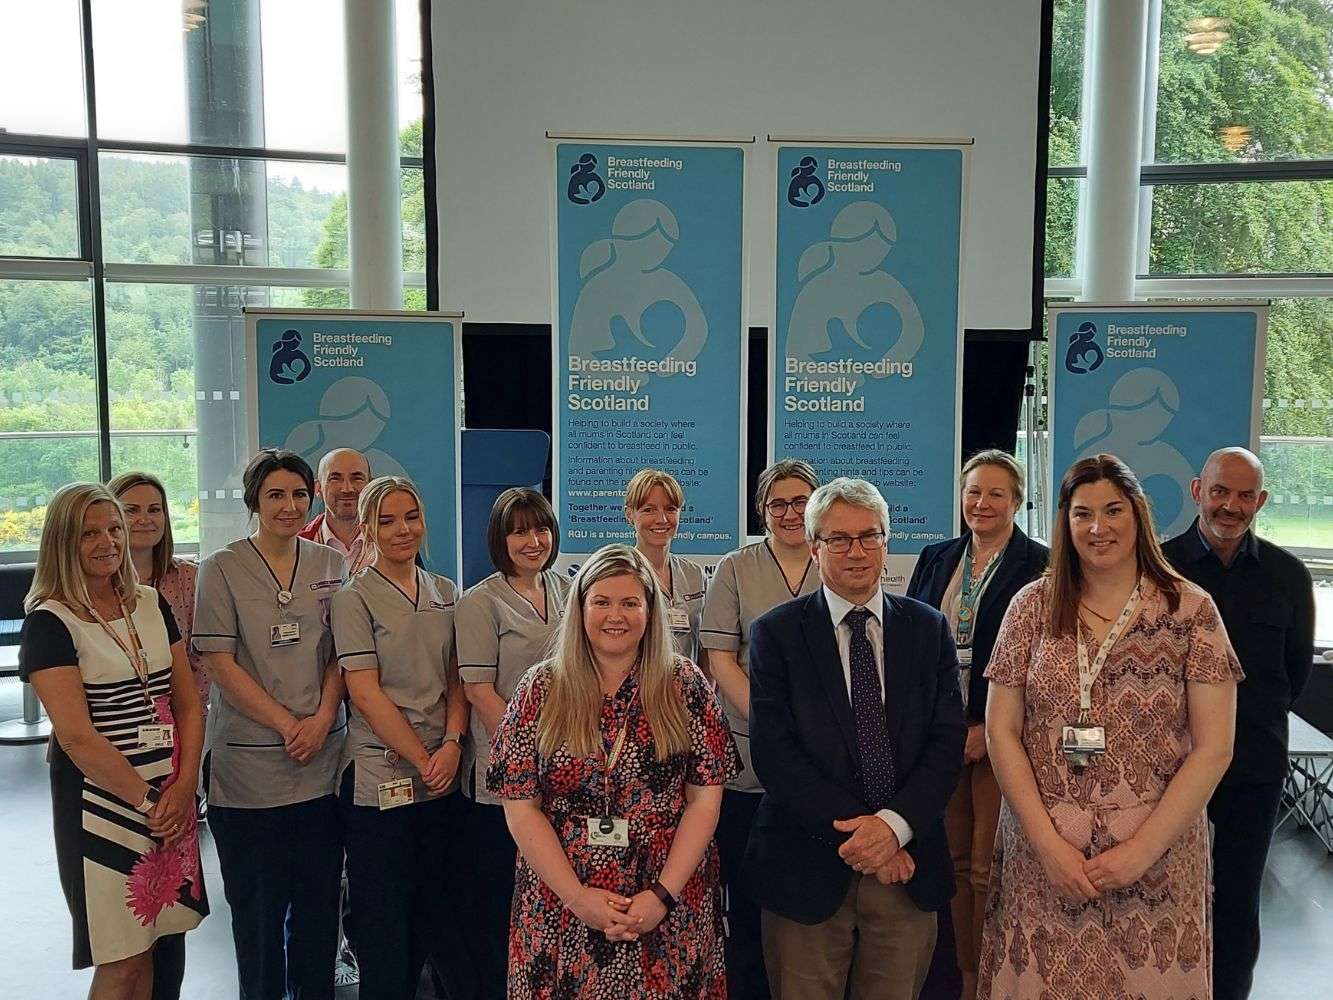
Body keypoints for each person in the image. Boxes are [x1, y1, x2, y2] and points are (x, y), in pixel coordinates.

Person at [979, 454, 1242, 998]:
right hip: (1045, 857)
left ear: (1138, 513)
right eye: (1083, 514)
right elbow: (1000, 731)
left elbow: (1214, 748)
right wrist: (1047, 845)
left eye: (1113, 510)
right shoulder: (1030, 607)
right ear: (1065, 521)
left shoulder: (1190, 611)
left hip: (1157, 860)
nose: (1098, 528)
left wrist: (1142, 851)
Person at [745, 477, 965, 1000]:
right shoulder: (776, 633)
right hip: (807, 869)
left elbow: (946, 742)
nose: (857, 551)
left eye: (870, 536)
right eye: (839, 539)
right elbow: (776, 755)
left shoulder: (928, 628)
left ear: (887, 542)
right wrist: (870, 839)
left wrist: (893, 828)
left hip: (906, 870)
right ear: (814, 546)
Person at [487, 544, 741, 998]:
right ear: (580, 607)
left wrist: (661, 896)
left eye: (630, 603)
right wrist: (577, 897)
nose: (615, 616)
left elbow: (705, 801)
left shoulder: (685, 685)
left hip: (667, 902)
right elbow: (521, 807)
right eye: (601, 602)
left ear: (650, 610)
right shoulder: (540, 689)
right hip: (562, 901)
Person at [19, 483, 208, 1000]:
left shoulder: (149, 602)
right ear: (63, 542)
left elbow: (188, 703)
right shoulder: (49, 621)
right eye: (89, 534)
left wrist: (184, 786)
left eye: (113, 529)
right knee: (121, 960)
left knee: (152, 944)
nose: (108, 542)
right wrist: (148, 802)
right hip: (102, 804)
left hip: (169, 793)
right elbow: (77, 737)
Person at [193, 448, 348, 1000]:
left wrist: (322, 717)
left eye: (299, 494)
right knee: (257, 914)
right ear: (254, 501)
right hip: (250, 768)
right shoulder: (221, 568)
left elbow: (343, 653)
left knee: (318, 908)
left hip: (321, 762)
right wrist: (287, 723)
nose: (289, 505)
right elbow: (218, 661)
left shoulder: (331, 565)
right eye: (275, 494)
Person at [1162, 446, 1315, 1000]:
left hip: (1252, 765)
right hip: (1166, 767)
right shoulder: (1157, 569)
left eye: (1245, 495)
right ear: (1197, 491)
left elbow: (1293, 674)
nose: (1231, 505)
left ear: (1261, 501)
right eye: (1220, 491)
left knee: (1237, 900)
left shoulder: (1288, 575)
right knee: (1160, 896)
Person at [906, 450, 1048, 1000]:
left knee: (990, 866)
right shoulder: (936, 557)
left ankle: (995, 977)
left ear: (1017, 501)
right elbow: (914, 639)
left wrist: (988, 728)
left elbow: (1043, 658)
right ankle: (961, 978)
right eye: (973, 492)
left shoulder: (1041, 564)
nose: (981, 503)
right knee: (951, 861)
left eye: (995, 493)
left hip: (1003, 738)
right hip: (941, 735)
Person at [331, 476, 477, 1000]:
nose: (402, 530)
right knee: (383, 918)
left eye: (411, 517)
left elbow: (459, 677)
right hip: (382, 776)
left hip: (442, 773)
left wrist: (453, 742)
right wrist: (421, 757)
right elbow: (365, 692)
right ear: (367, 528)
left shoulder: (446, 593)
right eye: (387, 520)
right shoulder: (353, 599)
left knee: (432, 909)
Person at [700, 458, 822, 998]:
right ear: (761, 511)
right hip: (750, 753)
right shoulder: (736, 568)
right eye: (778, 504)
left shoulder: (834, 560)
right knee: (747, 888)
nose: (790, 513)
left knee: (811, 889)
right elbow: (720, 657)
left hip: (824, 757)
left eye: (801, 502)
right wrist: (772, 721)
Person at [456, 487, 572, 998]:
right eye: (520, 531)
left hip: (567, 771)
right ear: (500, 539)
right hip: (506, 772)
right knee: (499, 900)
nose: (533, 541)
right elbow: (478, 690)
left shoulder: (569, 589)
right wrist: (531, 750)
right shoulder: (480, 602)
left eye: (541, 529)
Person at [109, 472, 209, 713]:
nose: (145, 519)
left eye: (154, 510)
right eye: (131, 510)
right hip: (111, 717)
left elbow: (204, 658)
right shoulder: (94, 583)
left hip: (184, 715)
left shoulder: (190, 577)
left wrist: (175, 712)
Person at [625, 468, 708, 663]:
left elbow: (706, 647)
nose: (661, 519)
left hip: (688, 681)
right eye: (649, 510)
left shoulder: (694, 574)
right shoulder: (619, 575)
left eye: (670, 509)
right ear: (629, 514)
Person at [300, 447, 372, 575]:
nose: (347, 489)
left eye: (357, 478)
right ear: (318, 488)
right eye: (335, 479)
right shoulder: (296, 546)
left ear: (371, 486)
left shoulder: (393, 543)